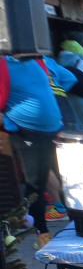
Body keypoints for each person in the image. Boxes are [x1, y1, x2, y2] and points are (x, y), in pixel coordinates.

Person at [0, 53, 77, 245]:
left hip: (53, 129)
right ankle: (42, 235)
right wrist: (9, 123)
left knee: (66, 180)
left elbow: (47, 89)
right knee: (36, 184)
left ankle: (79, 227)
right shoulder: (3, 63)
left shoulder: (36, 59)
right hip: (27, 132)